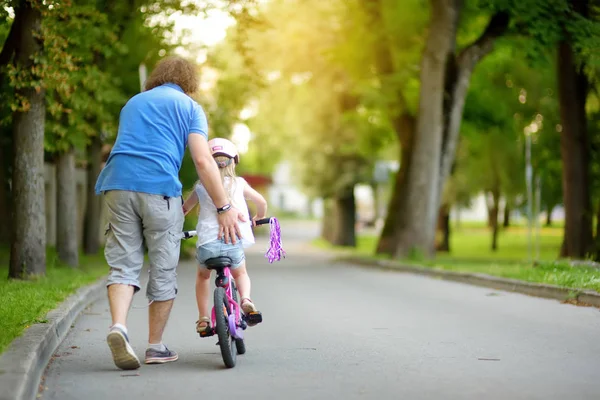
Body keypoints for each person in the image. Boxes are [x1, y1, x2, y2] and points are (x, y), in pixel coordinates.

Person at [95, 56, 246, 371]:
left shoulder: (133, 103)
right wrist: (224, 206)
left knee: (123, 264)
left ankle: (119, 327)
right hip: (159, 188)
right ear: (190, 82)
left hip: (116, 185)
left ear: (158, 77)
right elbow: (204, 161)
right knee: (162, 269)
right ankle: (155, 346)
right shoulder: (190, 108)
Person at [182, 138, 268, 335]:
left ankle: (203, 319)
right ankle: (246, 299)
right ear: (233, 162)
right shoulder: (239, 183)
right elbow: (261, 202)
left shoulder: (200, 187)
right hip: (233, 244)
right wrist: (258, 217)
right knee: (240, 273)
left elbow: (184, 210)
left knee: (202, 276)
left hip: (207, 246)